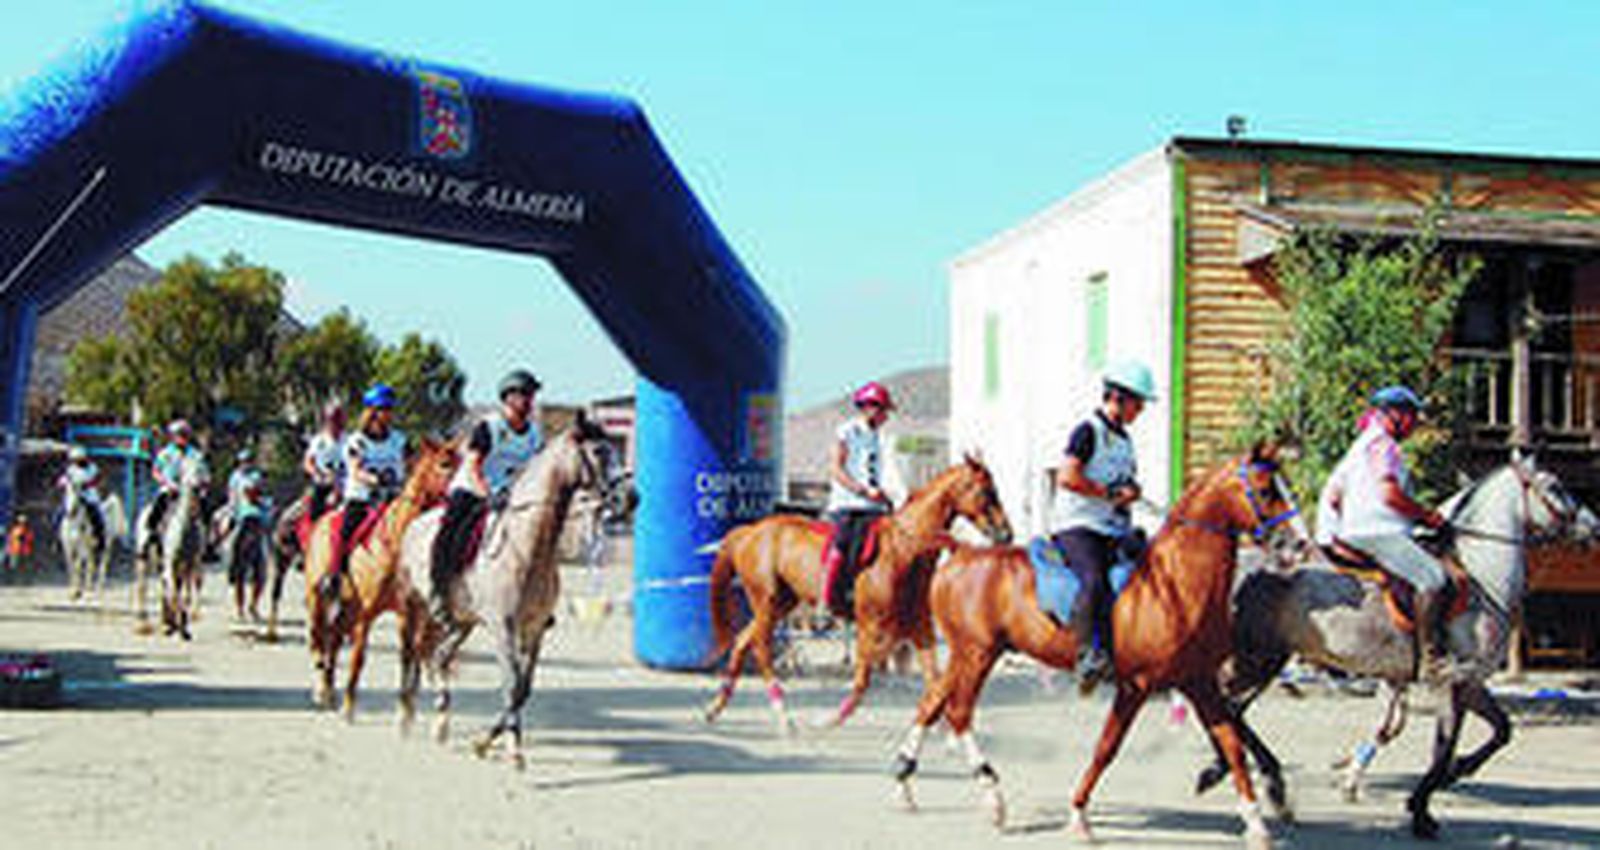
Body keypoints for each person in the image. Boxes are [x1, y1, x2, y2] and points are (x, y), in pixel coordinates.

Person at [1318, 385, 1452, 682]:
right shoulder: (1385, 446)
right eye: (1411, 417)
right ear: (1394, 415)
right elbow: (1390, 495)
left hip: (1356, 529)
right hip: (1377, 531)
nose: (1414, 424)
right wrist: (1429, 517)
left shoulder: (1360, 446)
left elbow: (1334, 496)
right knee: (1435, 578)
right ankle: (1433, 658)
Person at [1050, 358, 1157, 691]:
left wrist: (1132, 491)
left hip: (1113, 528)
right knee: (1094, 580)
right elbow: (1067, 477)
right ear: (1118, 398)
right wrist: (1110, 494)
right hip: (1078, 526)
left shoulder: (1125, 440)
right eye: (1138, 403)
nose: (1141, 410)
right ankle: (1087, 655)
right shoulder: (1087, 431)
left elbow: (1123, 482)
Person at [428, 369, 544, 624]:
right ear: (508, 398)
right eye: (524, 395)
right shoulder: (489, 427)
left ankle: (538, 599)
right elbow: (472, 466)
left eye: (531, 395)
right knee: (449, 531)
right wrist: (488, 495)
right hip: (473, 488)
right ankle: (439, 592)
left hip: (512, 496)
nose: (529, 400)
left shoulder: (535, 434)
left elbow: (536, 470)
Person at [322, 384, 407, 597]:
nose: (388, 414)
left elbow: (412, 463)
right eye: (383, 409)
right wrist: (377, 481)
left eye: (390, 409)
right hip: (362, 498)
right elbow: (355, 470)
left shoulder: (399, 439)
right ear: (371, 411)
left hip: (394, 499)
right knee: (345, 530)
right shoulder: (356, 441)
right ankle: (334, 576)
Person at [821, 380, 895, 617]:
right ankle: (831, 595)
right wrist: (862, 490)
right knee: (846, 540)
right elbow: (836, 469)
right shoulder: (846, 431)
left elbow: (874, 472)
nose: (886, 416)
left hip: (872, 503)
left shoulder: (878, 437)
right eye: (884, 410)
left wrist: (884, 495)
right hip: (848, 502)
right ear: (870, 407)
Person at [148, 419, 201, 534]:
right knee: (161, 504)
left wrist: (201, 483)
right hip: (170, 487)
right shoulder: (165, 453)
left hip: (190, 489)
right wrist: (165, 482)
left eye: (185, 434)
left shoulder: (195, 455)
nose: (182, 438)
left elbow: (203, 473)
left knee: (204, 508)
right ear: (173, 436)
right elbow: (155, 471)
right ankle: (151, 535)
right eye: (180, 434)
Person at [301, 400, 347, 521]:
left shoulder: (349, 439)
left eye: (338, 420)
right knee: (314, 507)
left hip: (346, 482)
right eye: (332, 420)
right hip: (324, 483)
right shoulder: (319, 441)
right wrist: (317, 473)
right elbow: (308, 462)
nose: (335, 424)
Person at [59, 445, 107, 552]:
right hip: (74, 496)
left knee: (96, 514)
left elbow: (98, 479)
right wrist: (62, 483)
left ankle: (99, 538)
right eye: (75, 460)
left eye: (79, 459)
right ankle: (57, 539)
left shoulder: (92, 468)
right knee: (60, 512)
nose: (77, 462)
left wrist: (88, 484)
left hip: (89, 496)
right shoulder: (71, 469)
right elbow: (64, 479)